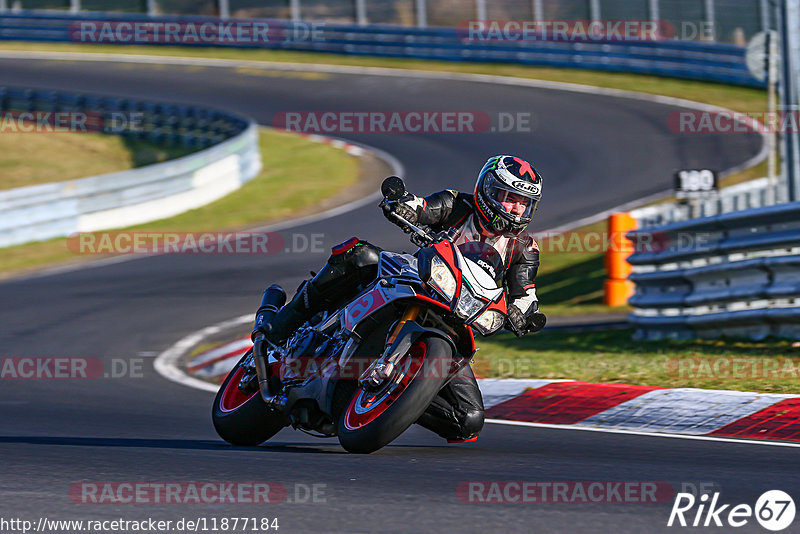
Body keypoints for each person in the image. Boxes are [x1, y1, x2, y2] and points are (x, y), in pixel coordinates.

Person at [254, 155, 545, 443]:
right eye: (510, 198)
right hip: (416, 281)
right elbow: (421, 208)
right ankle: (284, 323)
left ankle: (398, 396)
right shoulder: (457, 204)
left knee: (468, 419)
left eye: (523, 203)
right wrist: (402, 204)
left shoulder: (524, 248)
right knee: (359, 255)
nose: (516, 208)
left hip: (457, 319)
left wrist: (524, 316)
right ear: (489, 192)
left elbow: (524, 295)